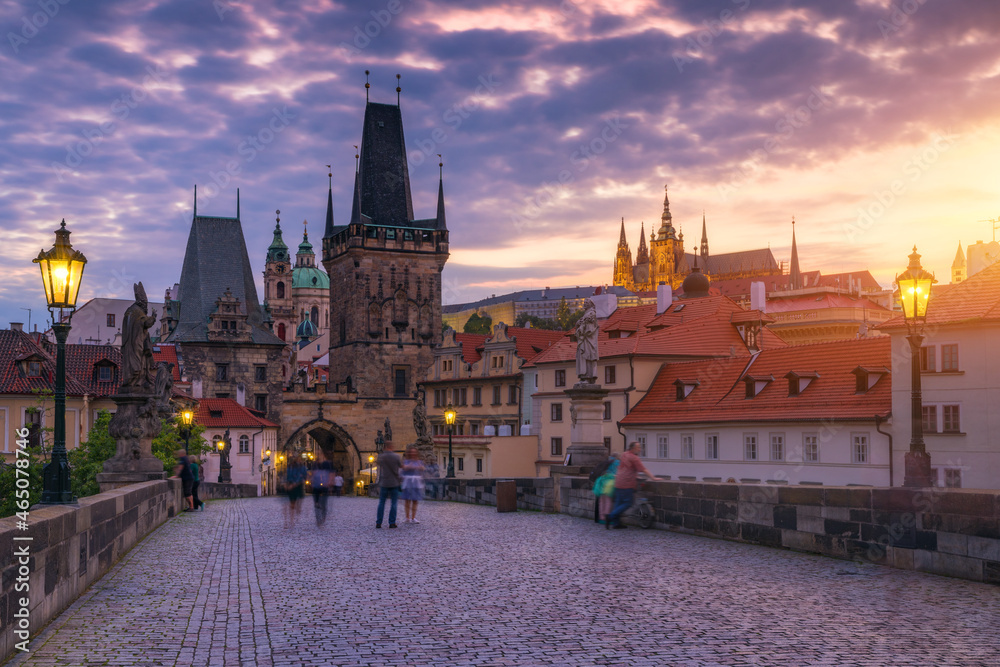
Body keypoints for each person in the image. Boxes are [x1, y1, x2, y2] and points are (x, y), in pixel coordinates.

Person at [606, 442, 655, 529]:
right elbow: (643, 469)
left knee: (618, 502)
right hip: (627, 483)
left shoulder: (624, 454)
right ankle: (610, 516)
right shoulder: (634, 457)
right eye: (638, 447)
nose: (640, 449)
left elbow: (626, 468)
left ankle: (616, 523)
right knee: (628, 503)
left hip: (618, 481)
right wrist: (653, 477)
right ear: (633, 448)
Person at [375, 441, 402, 529]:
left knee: (381, 503)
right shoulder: (396, 456)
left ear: (385, 447)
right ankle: (392, 522)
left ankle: (379, 522)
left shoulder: (381, 457)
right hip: (394, 482)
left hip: (384, 482)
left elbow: (378, 463)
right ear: (391, 447)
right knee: (393, 503)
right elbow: (401, 466)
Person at [592, 455, 619, 526]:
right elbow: (616, 474)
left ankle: (601, 518)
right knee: (608, 502)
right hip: (609, 485)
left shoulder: (605, 463)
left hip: (601, 485)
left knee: (601, 502)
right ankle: (607, 517)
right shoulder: (616, 463)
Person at [401, 447, 425, 523]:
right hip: (408, 481)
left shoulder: (419, 461)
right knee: (407, 500)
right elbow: (404, 468)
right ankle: (407, 517)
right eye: (411, 452)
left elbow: (422, 469)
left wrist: (417, 463)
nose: (413, 454)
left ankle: (413, 517)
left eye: (414, 452)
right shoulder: (406, 461)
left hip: (416, 482)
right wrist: (412, 464)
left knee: (415, 500)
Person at [284, 454, 308, 528]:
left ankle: (292, 518)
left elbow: (303, 477)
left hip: (297, 485)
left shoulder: (302, 468)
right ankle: (289, 521)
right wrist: (285, 484)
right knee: (289, 504)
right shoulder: (290, 467)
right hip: (290, 485)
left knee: (296, 502)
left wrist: (294, 484)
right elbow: (287, 476)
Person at [310, 461, 332, 526]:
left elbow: (329, 480)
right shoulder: (316, 473)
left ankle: (322, 517)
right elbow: (312, 480)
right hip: (317, 489)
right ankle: (319, 518)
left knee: (323, 504)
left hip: (323, 488)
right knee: (317, 504)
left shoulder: (326, 473)